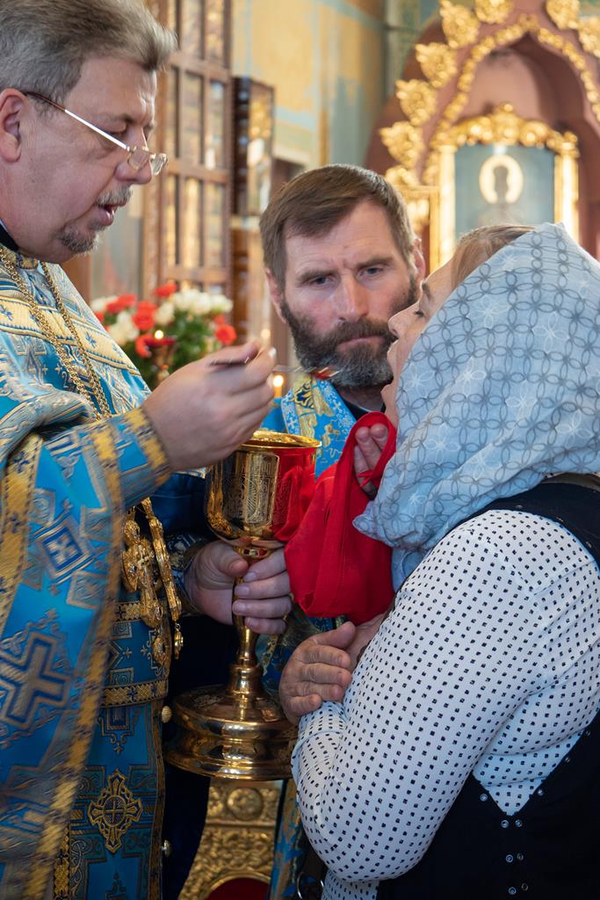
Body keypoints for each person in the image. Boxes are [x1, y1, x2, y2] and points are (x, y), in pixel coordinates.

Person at [0, 3, 291, 898]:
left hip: (115, 789)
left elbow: (111, 513)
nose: (138, 172)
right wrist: (155, 436)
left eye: (149, 140)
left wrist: (189, 571)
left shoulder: (45, 282)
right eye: (116, 131)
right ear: (12, 122)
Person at [281, 222, 600, 899]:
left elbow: (357, 838)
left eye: (424, 308)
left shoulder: (503, 556)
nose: (395, 321)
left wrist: (318, 708)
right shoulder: (566, 511)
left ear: (487, 348)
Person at [258, 164, 424, 898]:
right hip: (341, 803)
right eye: (319, 280)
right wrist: (285, 678)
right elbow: (228, 645)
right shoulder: (263, 451)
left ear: (416, 266)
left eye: (373, 269)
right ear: (278, 296)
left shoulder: (481, 419)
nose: (353, 306)